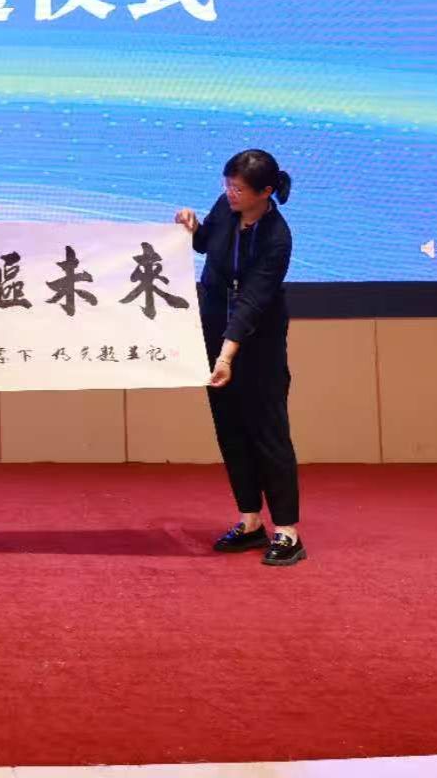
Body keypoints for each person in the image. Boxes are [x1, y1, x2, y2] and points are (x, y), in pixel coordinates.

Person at [175, 149, 304, 567]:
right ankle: (250, 521)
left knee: (268, 432)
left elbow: (252, 302)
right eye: (227, 185)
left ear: (264, 192)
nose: (230, 193)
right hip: (214, 332)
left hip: (257, 343)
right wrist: (192, 226)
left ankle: (287, 531)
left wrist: (227, 356)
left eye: (239, 189)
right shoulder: (225, 207)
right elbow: (206, 244)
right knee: (230, 429)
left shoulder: (277, 237)